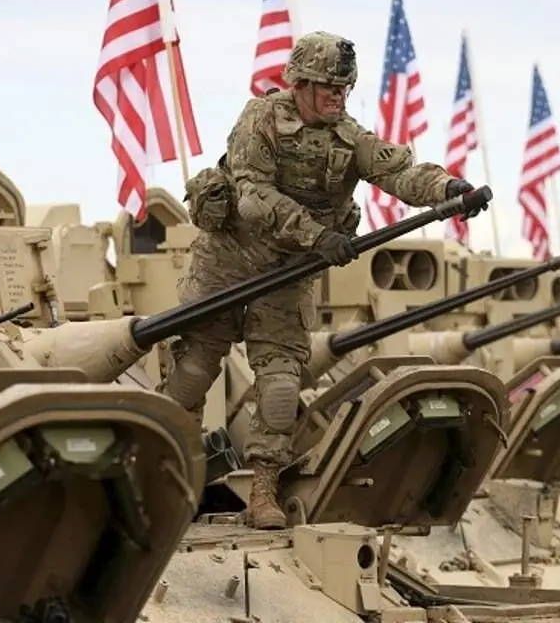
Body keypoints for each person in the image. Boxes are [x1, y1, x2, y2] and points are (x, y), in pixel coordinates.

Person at [163, 30, 486, 529]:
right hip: (228, 259)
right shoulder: (261, 119)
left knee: (280, 386)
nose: (338, 96)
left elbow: (398, 173)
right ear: (301, 84)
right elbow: (252, 196)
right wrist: (318, 236)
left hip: (288, 272)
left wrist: (449, 189)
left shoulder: (349, 137)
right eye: (329, 87)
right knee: (193, 371)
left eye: (344, 88)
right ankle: (168, 481)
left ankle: (263, 493)